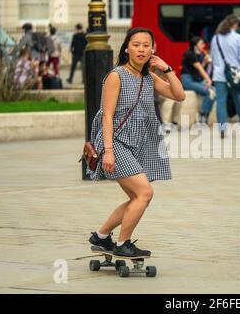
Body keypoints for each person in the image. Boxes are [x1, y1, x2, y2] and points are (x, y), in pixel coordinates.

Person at [86, 27, 185, 257]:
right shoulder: (116, 75)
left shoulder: (148, 77)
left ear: (153, 49)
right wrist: (108, 151)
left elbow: (179, 95)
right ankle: (122, 244)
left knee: (136, 197)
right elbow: (107, 115)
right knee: (145, 193)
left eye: (146, 45)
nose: (141, 49)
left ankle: (100, 237)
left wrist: (166, 69)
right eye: (136, 44)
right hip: (116, 142)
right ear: (127, 48)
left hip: (138, 142)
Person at [210, 15, 240, 138]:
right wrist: (239, 66)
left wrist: (218, 67)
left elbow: (213, 56)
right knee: (239, 100)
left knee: (221, 102)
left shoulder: (215, 38)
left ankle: (222, 129)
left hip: (219, 75)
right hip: (234, 74)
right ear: (235, 25)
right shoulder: (238, 37)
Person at [180, 36, 215, 124]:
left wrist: (205, 62)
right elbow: (200, 69)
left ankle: (205, 114)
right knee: (209, 91)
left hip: (194, 79)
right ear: (195, 45)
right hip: (187, 80)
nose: (203, 45)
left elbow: (198, 69)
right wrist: (209, 80)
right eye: (201, 44)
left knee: (214, 90)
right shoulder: (190, 54)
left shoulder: (197, 54)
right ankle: (202, 115)